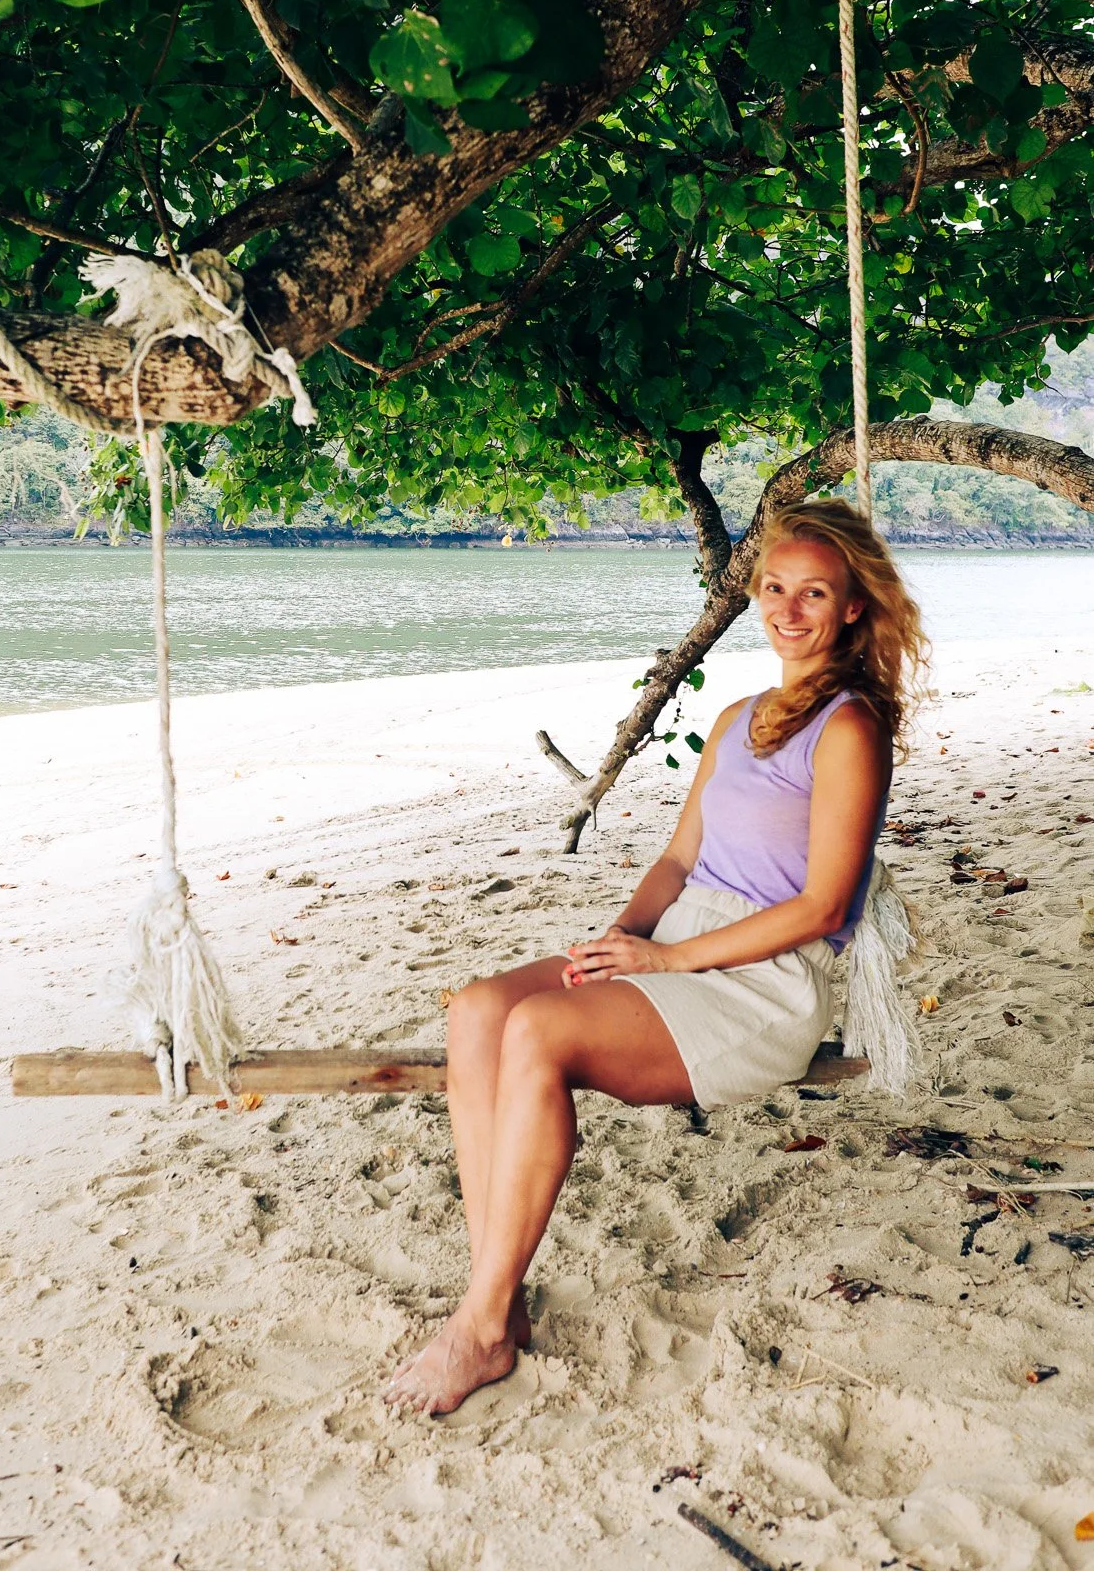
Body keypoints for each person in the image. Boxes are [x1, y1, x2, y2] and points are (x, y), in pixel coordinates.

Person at [385, 498, 927, 1416]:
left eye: (812, 593)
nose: (787, 609)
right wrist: (620, 943)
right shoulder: (736, 717)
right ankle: (496, 1301)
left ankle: (477, 1329)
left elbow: (823, 906)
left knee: (540, 1030)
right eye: (772, 589)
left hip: (760, 981)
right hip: (676, 940)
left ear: (849, 607)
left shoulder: (848, 727)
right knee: (479, 1008)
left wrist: (667, 966)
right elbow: (678, 860)